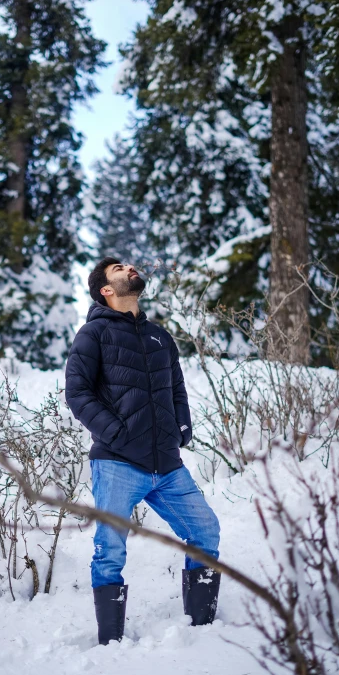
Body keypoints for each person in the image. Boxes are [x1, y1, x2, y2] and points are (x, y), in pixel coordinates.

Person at [65, 256, 221, 645]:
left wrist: (181, 429)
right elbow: (77, 393)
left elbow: (177, 388)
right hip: (118, 463)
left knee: (205, 529)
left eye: (130, 266)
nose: (130, 268)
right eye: (119, 269)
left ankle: (202, 629)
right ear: (105, 289)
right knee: (110, 550)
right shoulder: (92, 334)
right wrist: (116, 434)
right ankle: (111, 640)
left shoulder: (159, 336)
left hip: (167, 464)